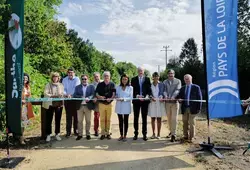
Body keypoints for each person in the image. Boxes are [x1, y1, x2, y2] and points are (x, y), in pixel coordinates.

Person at [177, 74, 202, 142]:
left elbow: (199, 99)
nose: (186, 80)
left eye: (187, 78)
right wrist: (179, 99)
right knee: (184, 122)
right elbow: (179, 96)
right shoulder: (182, 88)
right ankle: (185, 136)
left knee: (192, 123)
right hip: (185, 108)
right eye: (185, 79)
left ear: (191, 79)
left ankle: (192, 137)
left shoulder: (196, 87)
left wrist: (198, 109)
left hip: (193, 109)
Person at [131, 67, 152, 141]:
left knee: (144, 118)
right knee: (136, 118)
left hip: (145, 102)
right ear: (137, 71)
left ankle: (144, 134)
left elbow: (149, 90)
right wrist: (137, 96)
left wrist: (146, 96)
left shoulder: (147, 79)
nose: (140, 72)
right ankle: (136, 134)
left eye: (142, 71)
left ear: (143, 71)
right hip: (136, 101)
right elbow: (132, 90)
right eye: (139, 71)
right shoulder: (133, 79)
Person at [42, 72, 64, 142]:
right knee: (49, 120)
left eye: (57, 77)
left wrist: (61, 95)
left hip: (58, 105)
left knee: (58, 120)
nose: (55, 78)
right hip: (50, 104)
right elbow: (45, 93)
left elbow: (63, 93)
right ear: (52, 77)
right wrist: (52, 96)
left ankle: (57, 134)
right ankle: (48, 135)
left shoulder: (61, 85)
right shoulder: (48, 85)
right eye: (54, 77)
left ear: (58, 78)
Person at [74, 75, 95, 140]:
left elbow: (93, 94)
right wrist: (80, 97)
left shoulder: (91, 86)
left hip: (88, 106)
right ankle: (80, 134)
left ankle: (88, 134)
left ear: (87, 79)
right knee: (79, 121)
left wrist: (89, 98)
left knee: (88, 121)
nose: (84, 80)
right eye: (83, 79)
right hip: (80, 106)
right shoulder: (77, 87)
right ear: (81, 80)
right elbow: (75, 95)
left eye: (85, 79)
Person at [95, 71, 116, 140]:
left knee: (109, 119)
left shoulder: (112, 84)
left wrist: (111, 99)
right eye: (105, 76)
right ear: (103, 77)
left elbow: (114, 94)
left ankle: (108, 133)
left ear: (110, 77)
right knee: (102, 119)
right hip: (101, 104)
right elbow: (96, 93)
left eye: (108, 76)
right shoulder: (100, 84)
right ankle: (103, 133)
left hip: (109, 104)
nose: (106, 77)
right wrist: (100, 97)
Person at [163, 69, 181, 142]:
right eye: (169, 73)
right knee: (169, 119)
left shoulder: (178, 81)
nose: (170, 75)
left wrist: (173, 96)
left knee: (174, 118)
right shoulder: (164, 81)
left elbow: (178, 89)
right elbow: (164, 90)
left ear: (174, 74)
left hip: (175, 102)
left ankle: (174, 134)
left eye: (172, 73)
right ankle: (171, 131)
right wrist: (166, 95)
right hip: (167, 103)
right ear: (167, 74)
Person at [62, 68, 80, 137]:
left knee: (76, 116)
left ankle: (76, 131)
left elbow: (76, 88)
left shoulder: (77, 79)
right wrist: (66, 94)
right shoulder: (64, 79)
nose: (70, 74)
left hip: (75, 99)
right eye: (69, 72)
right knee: (68, 116)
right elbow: (63, 89)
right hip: (67, 100)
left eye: (72, 72)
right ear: (67, 73)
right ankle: (68, 132)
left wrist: (71, 95)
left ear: (74, 73)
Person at [115, 74, 133, 141]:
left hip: (126, 106)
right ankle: (121, 135)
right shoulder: (118, 87)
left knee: (126, 121)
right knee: (120, 121)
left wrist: (123, 99)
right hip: (119, 106)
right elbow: (116, 95)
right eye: (123, 79)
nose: (124, 80)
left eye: (125, 79)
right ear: (121, 80)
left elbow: (131, 97)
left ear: (128, 80)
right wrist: (116, 97)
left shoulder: (130, 88)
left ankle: (125, 135)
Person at [148, 72, 166, 139]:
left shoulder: (162, 84)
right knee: (152, 119)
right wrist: (151, 97)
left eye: (157, 76)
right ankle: (153, 134)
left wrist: (162, 96)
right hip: (152, 103)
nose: (156, 78)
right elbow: (148, 93)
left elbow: (164, 92)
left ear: (159, 77)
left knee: (159, 119)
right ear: (153, 77)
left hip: (159, 103)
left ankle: (158, 134)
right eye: (154, 76)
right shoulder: (150, 85)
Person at [20, 73, 35, 144]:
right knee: (22, 122)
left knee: (24, 123)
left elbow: (29, 96)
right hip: (21, 107)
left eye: (26, 78)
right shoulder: (19, 87)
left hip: (27, 106)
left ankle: (22, 137)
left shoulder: (27, 86)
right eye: (23, 78)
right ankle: (21, 139)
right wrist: (21, 100)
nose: (25, 80)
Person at [92, 72, 102, 136]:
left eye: (97, 76)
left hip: (104, 102)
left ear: (100, 76)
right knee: (96, 118)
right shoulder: (92, 85)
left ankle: (106, 131)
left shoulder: (103, 83)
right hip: (96, 104)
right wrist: (94, 97)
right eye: (95, 77)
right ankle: (96, 130)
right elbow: (91, 93)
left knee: (105, 118)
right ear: (93, 77)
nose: (96, 78)